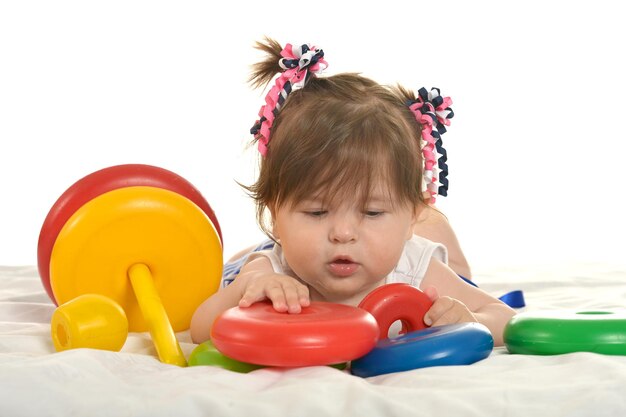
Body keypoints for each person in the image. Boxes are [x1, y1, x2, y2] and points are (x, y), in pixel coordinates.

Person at [190, 38, 515, 346]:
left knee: (449, 259)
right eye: (317, 211)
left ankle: (425, 221)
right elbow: (199, 328)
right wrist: (246, 288)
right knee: (238, 265)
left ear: (410, 216)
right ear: (274, 215)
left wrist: (470, 319)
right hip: (265, 253)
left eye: (371, 212)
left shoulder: (414, 266)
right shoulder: (272, 272)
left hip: (412, 228)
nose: (343, 233)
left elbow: (505, 317)